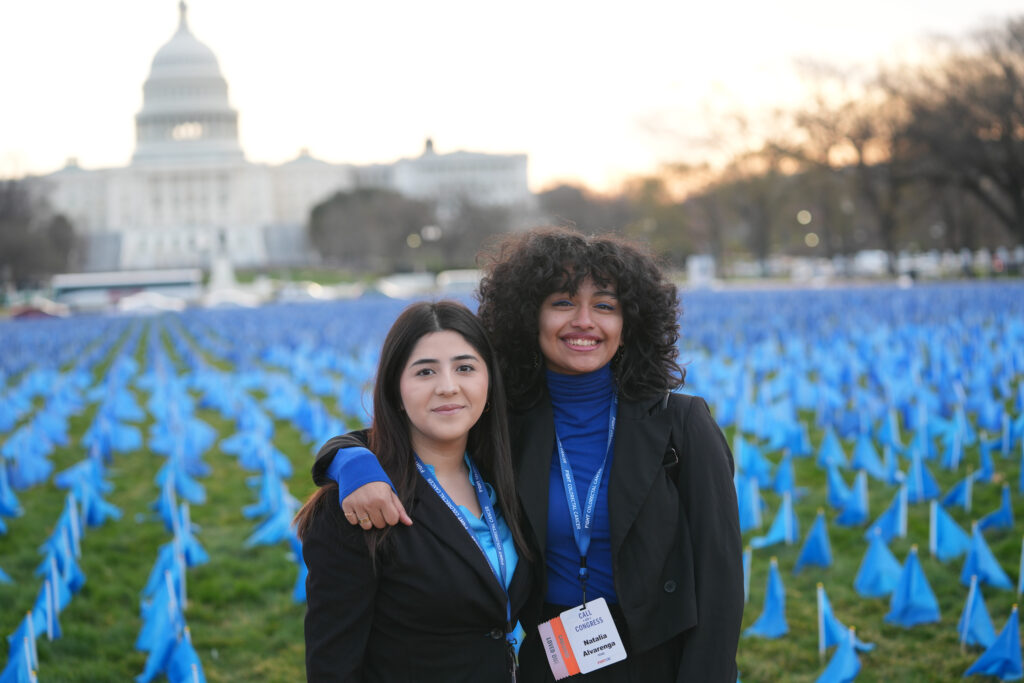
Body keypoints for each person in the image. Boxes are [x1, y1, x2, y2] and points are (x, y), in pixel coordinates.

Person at [313, 227, 743, 681]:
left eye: (604, 305)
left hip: (657, 658)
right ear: (529, 317)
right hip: (547, 659)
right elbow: (406, 431)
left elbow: (720, 579)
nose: (583, 321)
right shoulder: (507, 420)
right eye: (562, 303)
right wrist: (349, 461)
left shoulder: (682, 423)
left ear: (629, 322)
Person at [295, 300, 532, 683]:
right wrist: (350, 462)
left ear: (489, 381)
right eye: (425, 372)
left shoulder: (504, 477)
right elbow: (333, 666)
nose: (448, 387)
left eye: (465, 367)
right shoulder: (360, 505)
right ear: (395, 390)